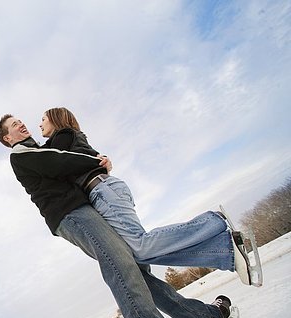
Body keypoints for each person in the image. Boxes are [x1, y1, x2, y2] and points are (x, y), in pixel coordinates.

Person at [0, 114, 232, 318]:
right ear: (7, 137)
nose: (21, 124)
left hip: (83, 210)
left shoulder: (37, 148)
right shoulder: (20, 153)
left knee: (138, 273)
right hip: (71, 214)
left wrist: (98, 164)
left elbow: (67, 162)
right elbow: (60, 162)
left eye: (20, 121)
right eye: (14, 125)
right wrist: (96, 161)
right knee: (122, 270)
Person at [36, 107, 262, 287]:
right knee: (138, 254)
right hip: (106, 191)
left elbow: (47, 159)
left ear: (56, 120)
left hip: (103, 191)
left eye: (43, 119)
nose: (40, 124)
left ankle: (212, 221)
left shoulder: (64, 136)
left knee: (141, 247)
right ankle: (225, 251)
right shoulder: (74, 138)